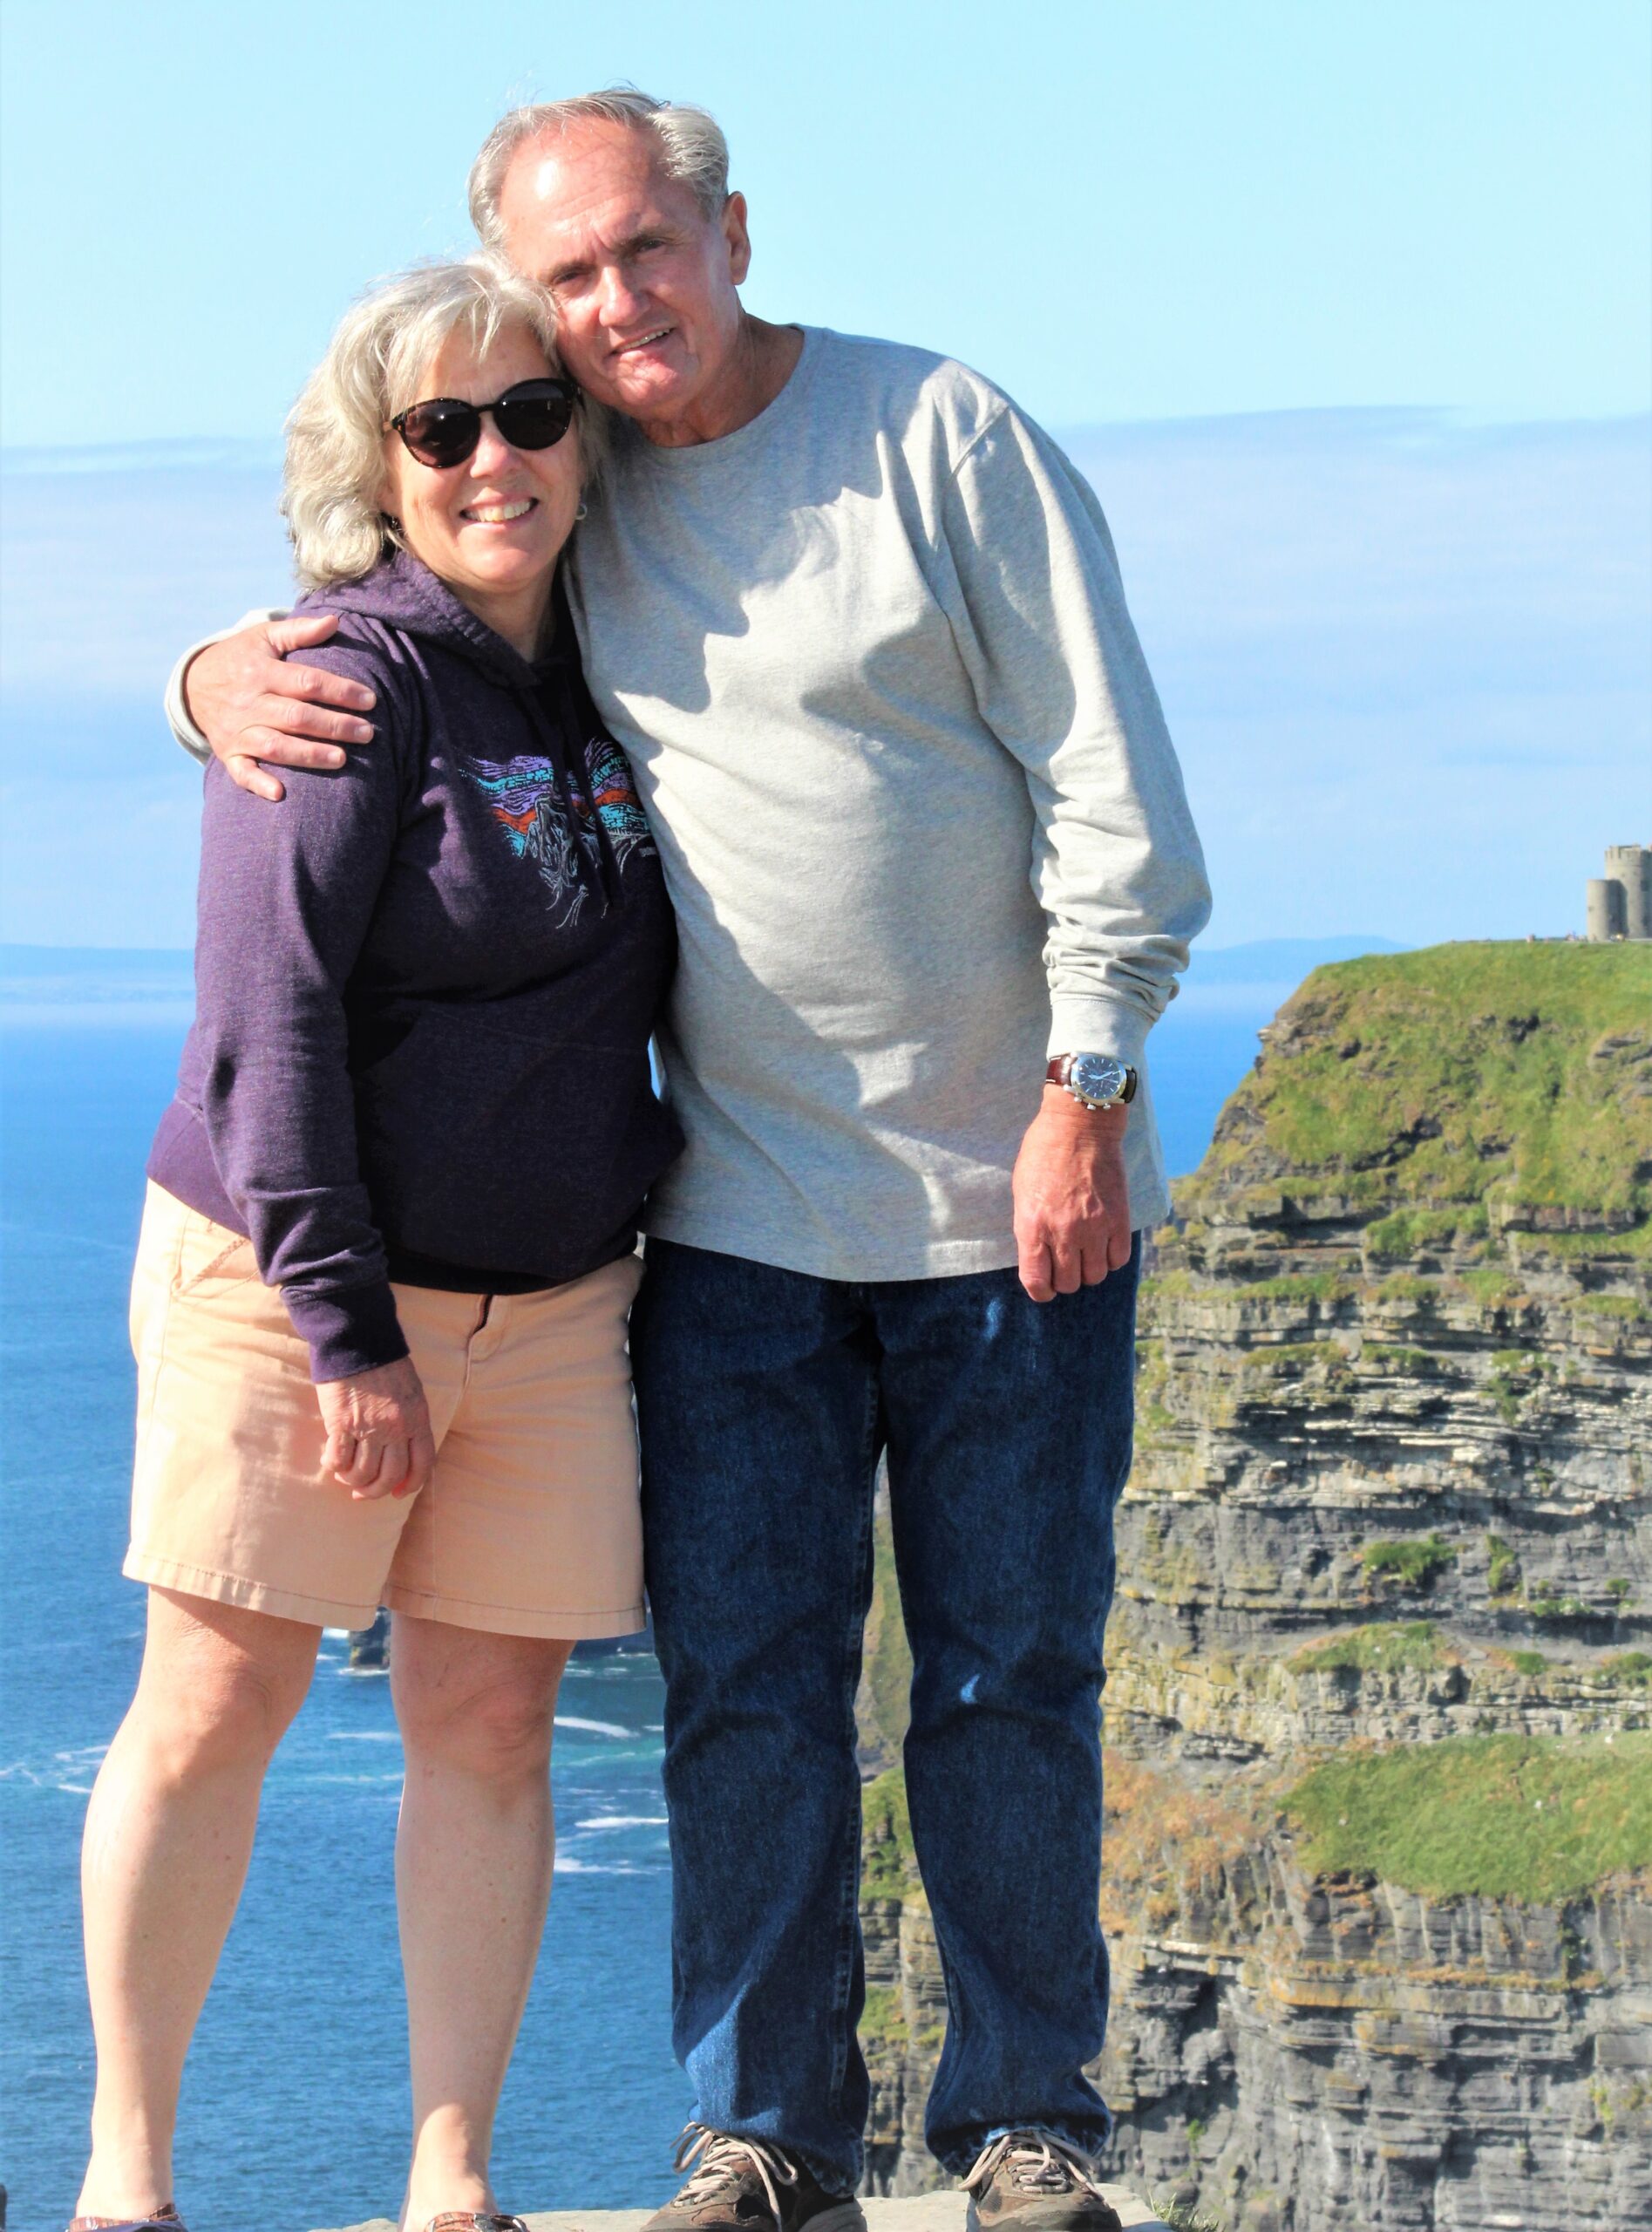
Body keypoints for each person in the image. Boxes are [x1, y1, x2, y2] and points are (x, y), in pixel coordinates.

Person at [169, 89, 1212, 2232]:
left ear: (733, 233)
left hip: (1011, 1200)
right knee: (747, 1687)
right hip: (729, 1221)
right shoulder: (570, 465)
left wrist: (1087, 1086)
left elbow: (1111, 785)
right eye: (569, 274)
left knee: (1009, 1678)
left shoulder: (936, 436)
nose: (617, 302)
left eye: (649, 245)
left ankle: (1027, 2123)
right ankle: (767, 2135)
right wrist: (206, 678)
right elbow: (397, 612)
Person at [73, 255, 678, 2232]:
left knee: (493, 1726)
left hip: (556, 1301)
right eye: (443, 427)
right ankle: (127, 2178)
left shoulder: (620, 653)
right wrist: (349, 1334)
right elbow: (268, 1022)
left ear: (585, 438)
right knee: (218, 1705)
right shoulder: (342, 676)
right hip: (293, 1286)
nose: (496, 457)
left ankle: (451, 2177)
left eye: (533, 413)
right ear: (378, 463)